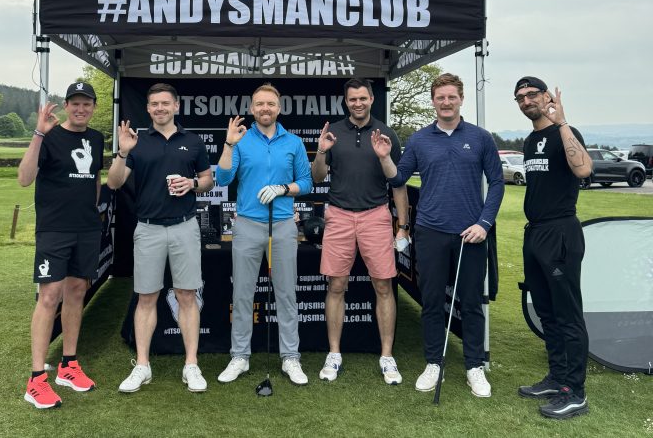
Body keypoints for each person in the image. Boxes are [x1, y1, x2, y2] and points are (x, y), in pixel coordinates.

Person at [388, 73, 504, 398]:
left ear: (461, 99)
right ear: (433, 101)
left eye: (452, 97)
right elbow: (398, 177)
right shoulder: (419, 140)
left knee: (470, 303)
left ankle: (474, 366)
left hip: (471, 234)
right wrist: (384, 157)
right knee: (432, 301)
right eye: (440, 97)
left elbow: (496, 183)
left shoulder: (481, 138)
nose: (446, 102)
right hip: (430, 231)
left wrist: (484, 223)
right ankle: (433, 363)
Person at [107, 83, 214, 393]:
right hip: (148, 228)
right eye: (154, 104)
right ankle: (142, 365)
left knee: (187, 296)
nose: (159, 108)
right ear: (148, 108)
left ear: (176, 106)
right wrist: (122, 152)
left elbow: (207, 180)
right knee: (146, 297)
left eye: (165, 103)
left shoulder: (192, 141)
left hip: (184, 226)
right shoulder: (136, 143)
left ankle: (190, 365)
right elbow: (114, 182)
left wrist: (192, 183)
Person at [311, 78, 410, 385]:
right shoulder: (334, 132)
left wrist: (402, 226)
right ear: (346, 101)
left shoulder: (386, 132)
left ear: (371, 99)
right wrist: (321, 151)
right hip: (339, 216)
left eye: (363, 98)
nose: (358, 103)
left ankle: (387, 356)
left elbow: (398, 184)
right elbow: (317, 178)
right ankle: (334, 353)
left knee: (383, 286)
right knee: (337, 285)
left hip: (376, 216)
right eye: (352, 99)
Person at [215, 83, 313, 385]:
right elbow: (222, 178)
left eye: (270, 104)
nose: (265, 109)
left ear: (279, 108)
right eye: (259, 104)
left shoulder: (293, 142)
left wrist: (284, 189)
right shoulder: (242, 142)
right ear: (252, 108)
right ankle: (240, 356)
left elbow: (307, 182)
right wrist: (229, 145)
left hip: (283, 225)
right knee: (242, 293)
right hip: (246, 224)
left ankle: (290, 357)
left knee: (286, 293)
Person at [18, 82, 105, 409]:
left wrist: (90, 213)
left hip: (85, 229)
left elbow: (95, 179)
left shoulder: (96, 139)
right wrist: (38, 135)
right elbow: (25, 178)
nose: (81, 109)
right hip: (54, 230)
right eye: (75, 103)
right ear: (67, 106)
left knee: (77, 292)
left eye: (87, 104)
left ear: (94, 107)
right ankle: (36, 378)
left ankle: (68, 365)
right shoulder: (50, 136)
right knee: (49, 296)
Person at [514, 76, 592, 419]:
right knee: (546, 312)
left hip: (561, 232)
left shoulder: (564, 132)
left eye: (532, 94)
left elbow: (584, 168)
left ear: (547, 96)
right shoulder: (531, 140)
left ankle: (575, 392)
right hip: (535, 234)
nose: (526, 100)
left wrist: (562, 122)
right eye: (520, 97)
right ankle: (557, 378)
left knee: (567, 314)